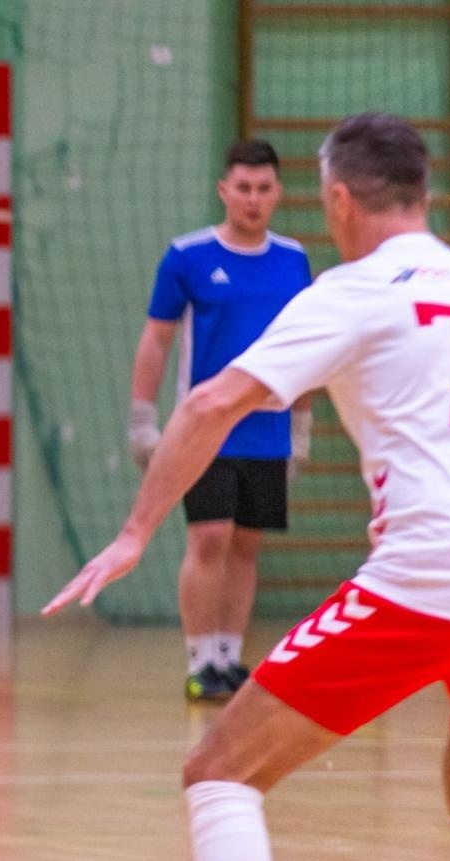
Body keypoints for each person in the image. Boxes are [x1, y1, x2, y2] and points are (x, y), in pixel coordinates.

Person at [46, 112, 450, 861]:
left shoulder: (355, 289)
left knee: (218, 773)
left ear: (339, 199)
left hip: (432, 577)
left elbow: (210, 401)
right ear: (425, 194)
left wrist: (134, 530)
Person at [128, 141, 313, 700]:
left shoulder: (293, 260)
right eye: (243, 188)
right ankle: (199, 659)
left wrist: (300, 427)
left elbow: (306, 347)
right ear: (224, 191)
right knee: (209, 537)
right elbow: (157, 340)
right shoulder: (186, 257)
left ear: (277, 193)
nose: (253, 200)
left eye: (263, 189)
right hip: (205, 428)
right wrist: (143, 418)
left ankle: (230, 658)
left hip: (268, 429)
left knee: (247, 544)